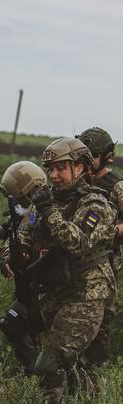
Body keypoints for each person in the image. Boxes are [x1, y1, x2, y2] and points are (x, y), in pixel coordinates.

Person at [23, 137, 116, 404]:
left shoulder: (95, 203)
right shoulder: (43, 202)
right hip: (54, 292)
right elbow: (24, 231)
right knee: (68, 364)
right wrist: (10, 255)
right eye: (50, 168)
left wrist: (49, 211)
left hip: (86, 293)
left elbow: (75, 240)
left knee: (50, 362)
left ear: (80, 168)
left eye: (61, 167)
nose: (53, 175)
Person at [0, 161, 48, 375]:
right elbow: (16, 233)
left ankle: (40, 375)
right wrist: (8, 257)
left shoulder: (49, 211)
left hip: (50, 288)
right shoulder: (26, 214)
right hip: (29, 286)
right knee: (16, 324)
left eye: (19, 198)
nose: (17, 203)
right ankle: (33, 372)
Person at [77, 126, 122, 366]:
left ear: (105, 155)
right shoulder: (79, 181)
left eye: (92, 155)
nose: (87, 160)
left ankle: (96, 370)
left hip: (106, 262)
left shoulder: (116, 186)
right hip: (77, 261)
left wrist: (110, 232)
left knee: (102, 317)